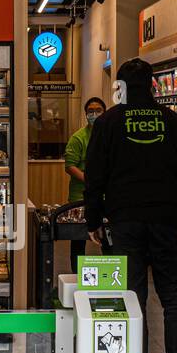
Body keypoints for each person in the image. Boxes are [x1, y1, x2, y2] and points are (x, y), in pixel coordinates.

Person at [84, 58, 177, 353]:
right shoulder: (172, 121)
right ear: (152, 84)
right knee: (174, 295)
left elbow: (94, 176)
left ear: (120, 86)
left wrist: (94, 219)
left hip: (125, 221)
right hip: (166, 220)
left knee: (132, 296)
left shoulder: (108, 122)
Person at [63, 97, 106, 272]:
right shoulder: (78, 137)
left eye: (98, 111)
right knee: (79, 239)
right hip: (80, 197)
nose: (94, 114)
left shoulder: (111, 134)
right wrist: (90, 181)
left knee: (108, 238)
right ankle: (77, 275)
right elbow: (70, 166)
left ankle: (110, 276)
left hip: (106, 196)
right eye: (90, 111)